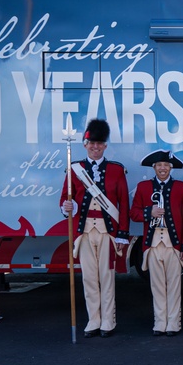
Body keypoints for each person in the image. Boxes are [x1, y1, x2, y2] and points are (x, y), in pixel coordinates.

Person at [60, 118, 130, 338]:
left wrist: (122, 234)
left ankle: (108, 321)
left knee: (106, 276)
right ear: (84, 144)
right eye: (91, 143)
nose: (95, 146)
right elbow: (64, 199)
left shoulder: (116, 170)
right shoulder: (74, 169)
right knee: (89, 278)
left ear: (105, 146)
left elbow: (124, 205)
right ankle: (93, 320)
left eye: (99, 143)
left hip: (108, 231)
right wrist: (66, 206)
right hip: (84, 231)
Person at [129, 150, 183, 336]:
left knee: (174, 284)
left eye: (166, 165)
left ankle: (174, 323)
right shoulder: (143, 187)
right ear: (154, 168)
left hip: (173, 243)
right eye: (159, 165)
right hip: (153, 242)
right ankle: (159, 322)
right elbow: (134, 213)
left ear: (170, 168)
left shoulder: (181, 187)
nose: (162, 168)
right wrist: (150, 213)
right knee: (156, 285)